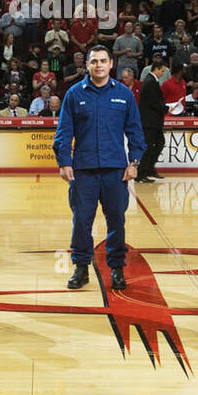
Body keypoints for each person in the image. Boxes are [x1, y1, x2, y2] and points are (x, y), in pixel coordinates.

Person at [53, 45, 146, 290]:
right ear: (88, 65)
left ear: (111, 64)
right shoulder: (74, 94)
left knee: (116, 221)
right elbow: (64, 132)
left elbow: (135, 131)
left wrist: (134, 162)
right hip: (83, 171)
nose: (99, 65)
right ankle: (81, 268)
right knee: (81, 221)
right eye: (94, 61)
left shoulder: (123, 95)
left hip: (115, 171)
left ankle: (116, 269)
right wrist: (64, 161)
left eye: (103, 61)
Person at [136, 56, 168, 182]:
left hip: (154, 121)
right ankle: (140, 174)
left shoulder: (151, 81)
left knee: (159, 143)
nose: (162, 74)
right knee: (148, 147)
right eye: (162, 71)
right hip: (149, 122)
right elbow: (153, 102)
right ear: (155, 69)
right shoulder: (150, 82)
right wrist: (166, 108)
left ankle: (149, 169)